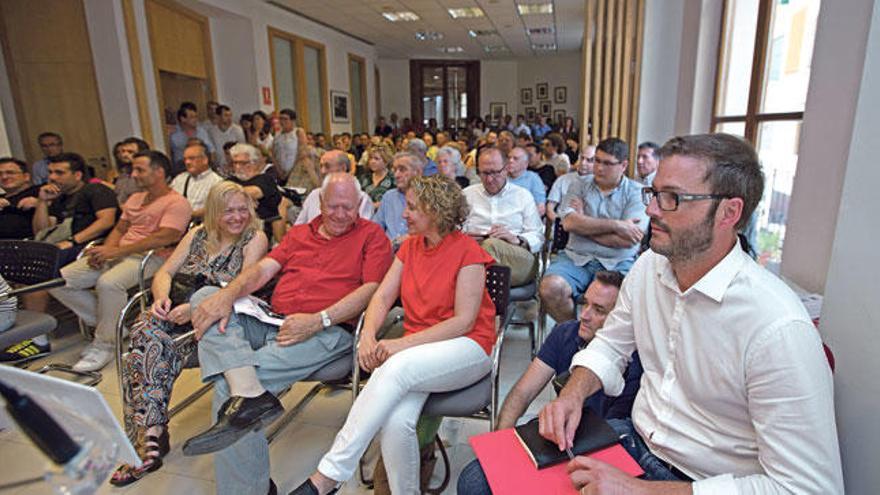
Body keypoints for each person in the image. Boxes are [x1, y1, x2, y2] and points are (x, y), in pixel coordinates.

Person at [539, 133, 843, 494]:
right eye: (653, 194)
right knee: (479, 479)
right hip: (636, 444)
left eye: (673, 199)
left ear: (729, 212)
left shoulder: (778, 327)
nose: (651, 211)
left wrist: (643, 491)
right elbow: (610, 346)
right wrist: (573, 393)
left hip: (707, 483)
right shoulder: (649, 267)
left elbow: (810, 488)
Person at [180, 173, 393, 495]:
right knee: (205, 296)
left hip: (328, 330)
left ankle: (247, 487)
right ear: (319, 203)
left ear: (360, 205)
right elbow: (264, 269)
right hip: (272, 319)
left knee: (228, 388)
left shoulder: (371, 236)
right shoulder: (300, 233)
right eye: (333, 206)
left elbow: (373, 290)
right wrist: (227, 295)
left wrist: (318, 319)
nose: (340, 214)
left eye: (348, 208)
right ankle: (249, 391)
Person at [290, 175, 496, 495]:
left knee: (395, 367)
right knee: (396, 423)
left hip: (468, 348)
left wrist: (398, 345)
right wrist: (368, 336)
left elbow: (463, 322)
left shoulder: (468, 252)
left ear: (437, 212)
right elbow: (383, 297)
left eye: (413, 208)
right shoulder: (410, 247)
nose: (404, 213)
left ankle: (328, 475)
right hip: (419, 352)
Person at [109, 182, 267, 486]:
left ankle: (149, 436)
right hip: (178, 311)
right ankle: (152, 431)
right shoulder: (197, 235)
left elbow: (245, 285)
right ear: (213, 213)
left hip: (221, 319)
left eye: (241, 209)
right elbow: (165, 272)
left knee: (153, 346)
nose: (237, 217)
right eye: (228, 211)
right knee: (147, 328)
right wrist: (161, 299)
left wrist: (195, 310)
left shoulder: (254, 238)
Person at [457, 271, 643, 495]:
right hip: (559, 435)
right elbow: (522, 392)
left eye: (599, 310)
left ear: (619, 319)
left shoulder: (635, 363)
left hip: (599, 446)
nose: (584, 315)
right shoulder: (566, 333)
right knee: (473, 480)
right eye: (585, 303)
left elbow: (612, 440)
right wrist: (497, 448)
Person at [49, 151, 192, 372]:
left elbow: (166, 237)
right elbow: (120, 228)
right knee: (58, 280)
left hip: (152, 257)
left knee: (108, 283)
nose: (134, 175)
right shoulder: (135, 198)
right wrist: (107, 249)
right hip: (121, 252)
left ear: (159, 172)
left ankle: (105, 344)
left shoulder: (177, 202)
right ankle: (115, 327)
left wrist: (116, 251)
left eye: (140, 170)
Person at [540, 137, 647, 323]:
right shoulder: (579, 185)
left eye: (607, 163)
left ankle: (601, 344)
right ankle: (572, 337)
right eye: (597, 160)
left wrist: (583, 224)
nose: (598, 168)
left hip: (618, 261)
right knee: (550, 288)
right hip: (576, 258)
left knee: (628, 300)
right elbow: (568, 224)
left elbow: (628, 240)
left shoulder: (637, 192)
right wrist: (618, 225)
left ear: (623, 165)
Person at [463, 147, 543, 287]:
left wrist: (516, 239)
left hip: (517, 256)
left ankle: (469, 295)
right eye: (484, 173)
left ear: (506, 169)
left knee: (491, 245)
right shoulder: (467, 195)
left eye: (494, 173)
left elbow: (537, 236)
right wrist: (465, 237)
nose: (489, 179)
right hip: (474, 255)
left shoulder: (522, 196)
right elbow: (454, 231)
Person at [31, 153, 118, 265]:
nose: (52, 177)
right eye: (50, 172)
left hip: (86, 245)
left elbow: (106, 221)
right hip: (59, 244)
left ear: (77, 175)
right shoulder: (59, 198)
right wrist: (42, 201)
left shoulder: (96, 190)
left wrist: (72, 241)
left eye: (59, 173)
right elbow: (41, 232)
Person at [294, 150, 373, 225]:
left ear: (343, 168)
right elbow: (298, 227)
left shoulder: (362, 198)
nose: (322, 171)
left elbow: (363, 232)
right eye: (321, 166)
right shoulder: (314, 195)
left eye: (327, 166)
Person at [228, 143, 283, 243]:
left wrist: (231, 195)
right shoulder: (230, 180)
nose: (237, 167)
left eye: (242, 163)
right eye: (234, 163)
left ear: (253, 163)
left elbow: (256, 192)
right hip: (230, 227)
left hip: (260, 230)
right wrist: (246, 200)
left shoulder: (265, 179)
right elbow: (217, 195)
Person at [373, 152, 425, 249]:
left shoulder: (427, 197)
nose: (396, 175)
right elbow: (375, 228)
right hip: (387, 252)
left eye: (402, 169)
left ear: (418, 172)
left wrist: (403, 241)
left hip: (415, 251)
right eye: (395, 170)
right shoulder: (389, 197)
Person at [169, 141, 224, 220]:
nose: (187, 162)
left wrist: (189, 215)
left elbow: (217, 208)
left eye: (192, 158)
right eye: (185, 159)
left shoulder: (217, 182)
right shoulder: (179, 179)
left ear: (205, 160)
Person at [547, 145, 596, 222]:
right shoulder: (562, 179)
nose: (583, 163)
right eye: (582, 158)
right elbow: (550, 208)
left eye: (589, 160)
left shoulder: (599, 184)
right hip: (561, 224)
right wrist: (560, 223)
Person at [169, 103, 215, 176]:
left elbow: (211, 150)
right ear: (183, 119)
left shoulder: (201, 131)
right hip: (181, 168)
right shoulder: (173, 133)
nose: (196, 120)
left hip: (200, 166)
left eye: (196, 117)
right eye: (192, 117)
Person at [0, 157, 40, 240]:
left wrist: (40, 203)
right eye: (0, 174)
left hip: (29, 244)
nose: (4, 177)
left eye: (10, 173)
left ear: (26, 176)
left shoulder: (40, 192)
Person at [273, 108, 313, 184]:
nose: (282, 122)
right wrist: (279, 170)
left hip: (296, 170)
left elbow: (302, 153)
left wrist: (290, 172)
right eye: (280, 119)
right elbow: (274, 154)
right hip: (280, 172)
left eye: (285, 119)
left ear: (292, 121)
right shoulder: (277, 135)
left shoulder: (298, 132)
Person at [507, 146, 547, 216]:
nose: (510, 161)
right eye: (509, 157)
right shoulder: (500, 176)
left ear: (525, 164)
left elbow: (541, 208)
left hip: (524, 220)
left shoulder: (533, 178)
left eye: (515, 158)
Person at [110, 137, 149, 205]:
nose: (124, 155)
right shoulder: (123, 174)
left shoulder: (147, 175)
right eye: (123, 151)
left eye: (130, 152)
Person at [208, 104, 246, 170]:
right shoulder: (211, 131)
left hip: (235, 166)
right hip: (218, 167)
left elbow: (243, 149)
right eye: (226, 115)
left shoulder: (237, 130)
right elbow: (211, 150)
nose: (229, 118)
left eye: (230, 115)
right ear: (218, 116)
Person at [358, 143, 395, 207]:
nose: (372, 161)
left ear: (386, 161)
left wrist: (375, 206)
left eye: (376, 159)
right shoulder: (363, 178)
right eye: (370, 158)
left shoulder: (393, 178)